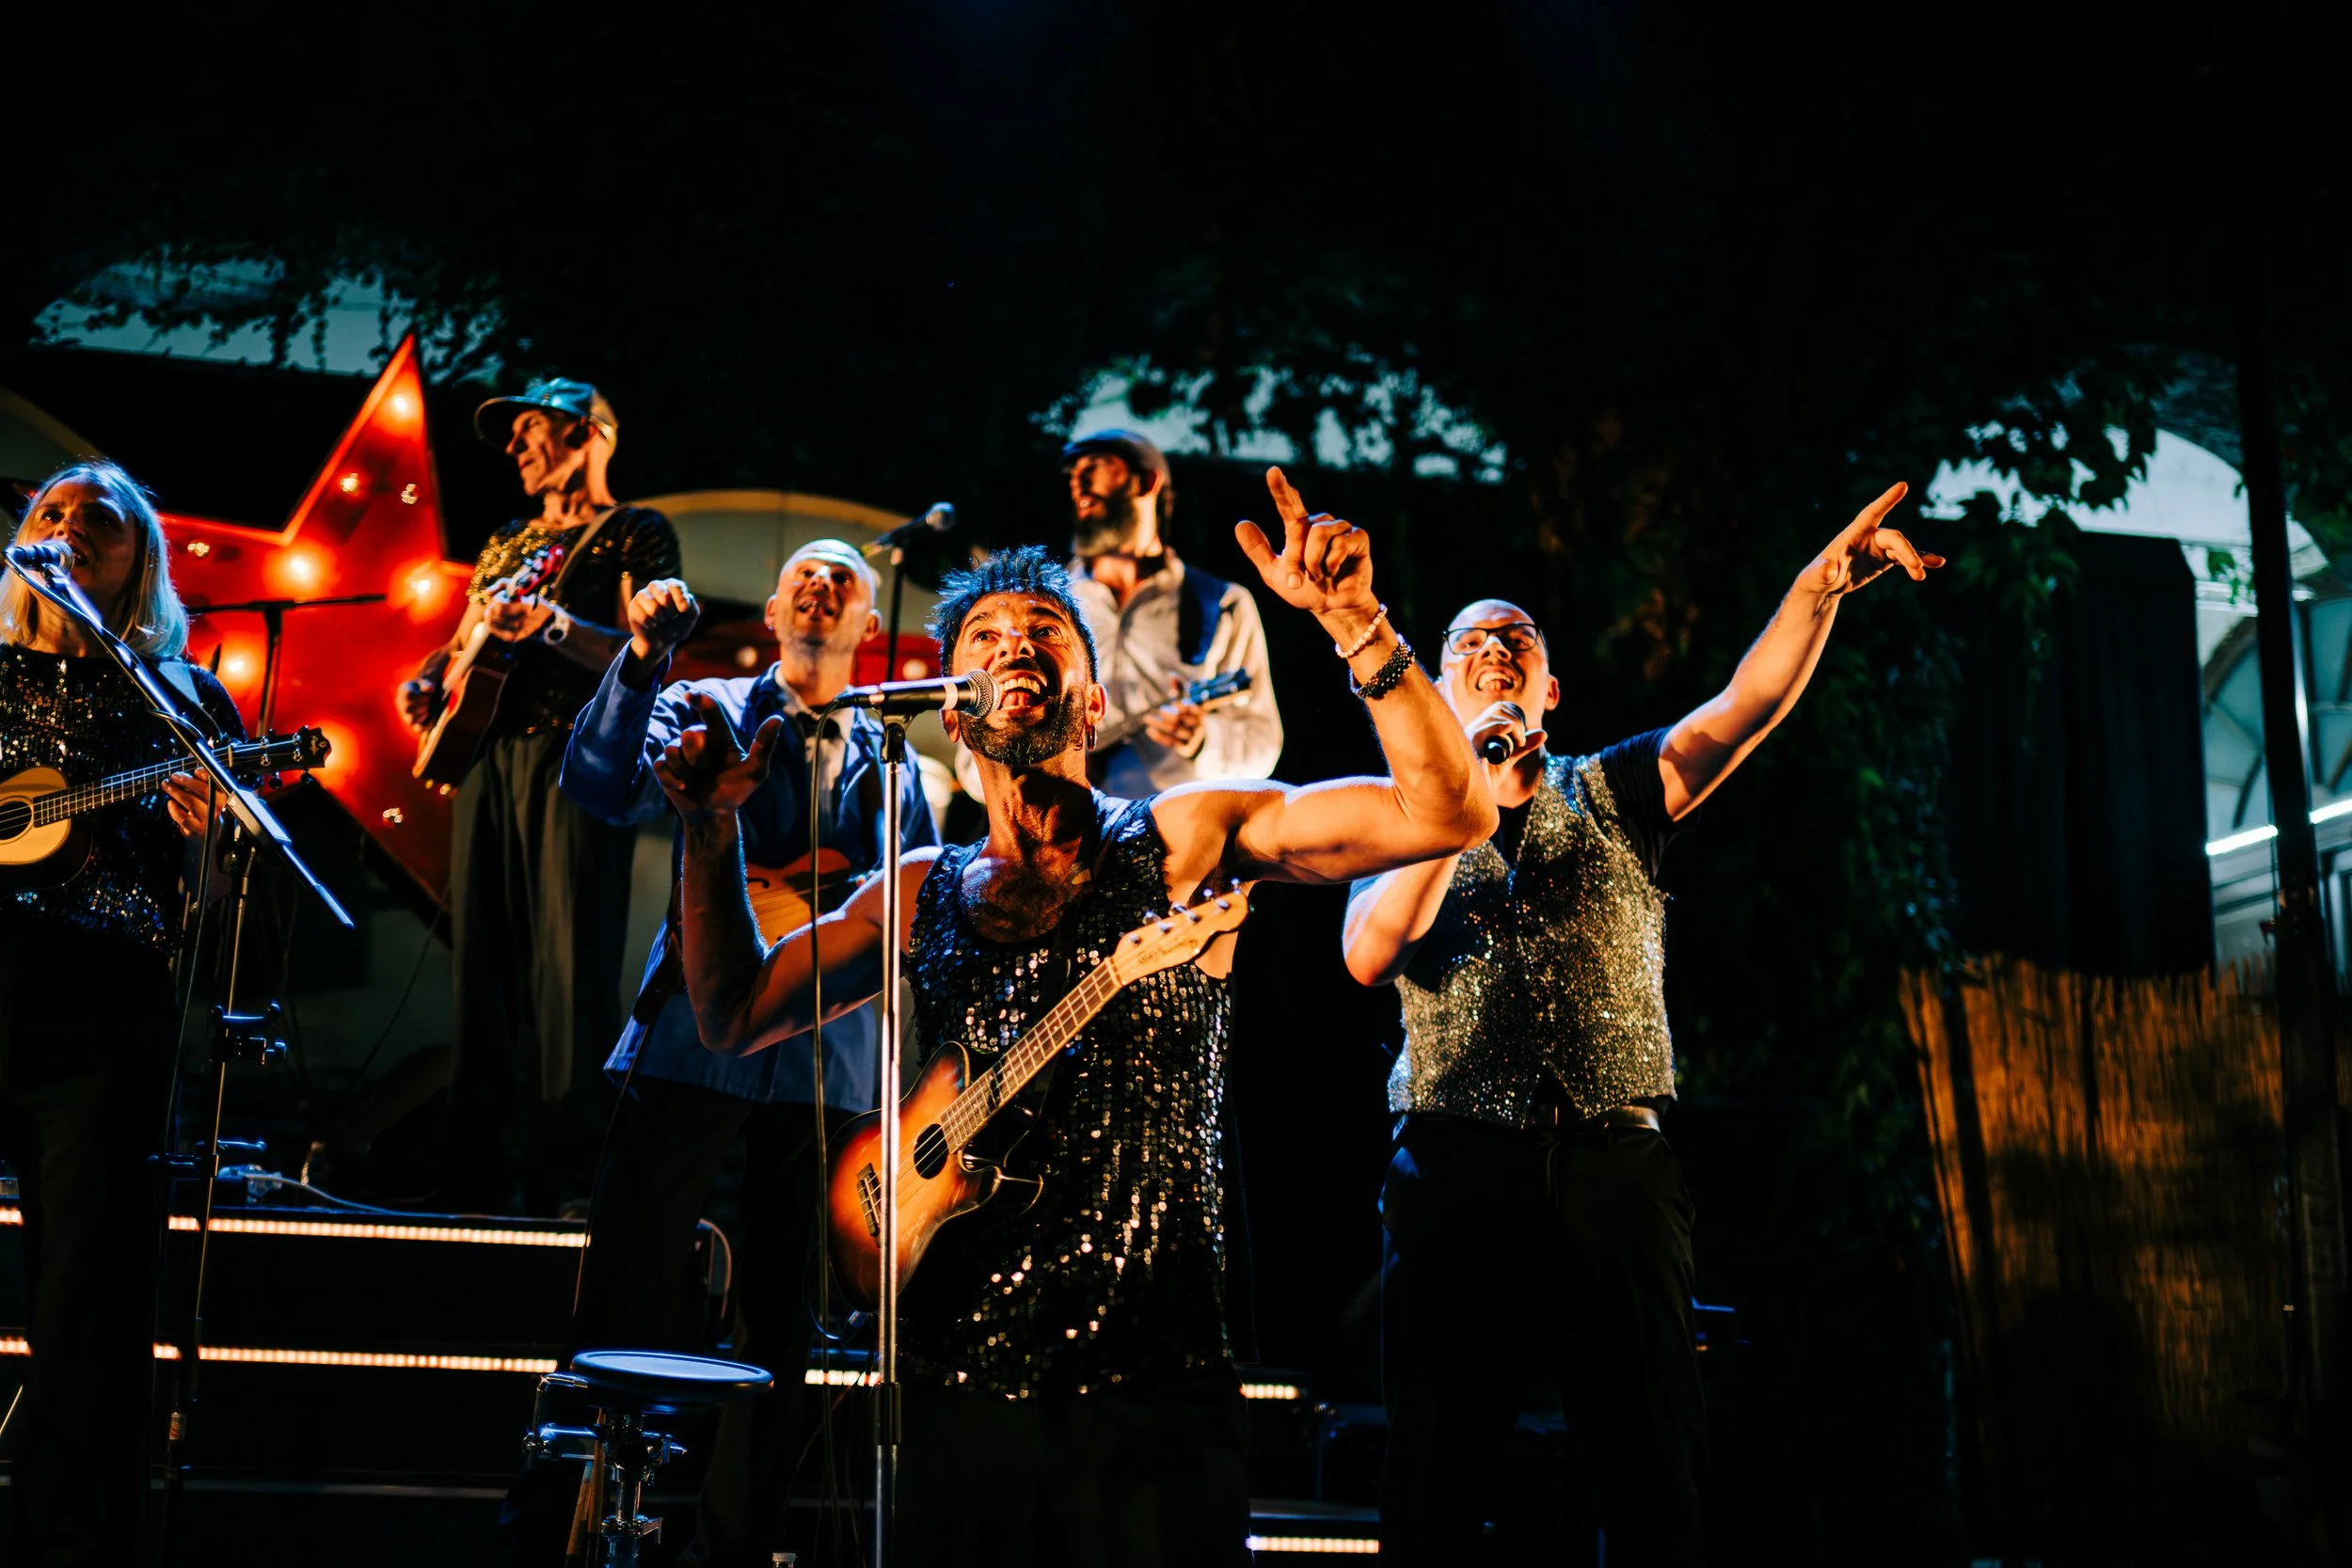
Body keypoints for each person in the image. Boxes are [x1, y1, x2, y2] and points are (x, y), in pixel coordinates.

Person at [654, 468, 1496, 1566]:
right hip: (953, 1384)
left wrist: (1357, 624)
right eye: (988, 635)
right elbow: (730, 1010)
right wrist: (709, 831)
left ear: (1092, 702)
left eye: (1045, 631)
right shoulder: (918, 887)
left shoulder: (1185, 837)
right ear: (952, 709)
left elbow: (1448, 810)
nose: (1015, 643)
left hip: (1153, 1388)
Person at [1342, 483, 1945, 1565]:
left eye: (1517, 640)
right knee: (1433, 1482)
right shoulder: (1386, 815)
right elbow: (1369, 951)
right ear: (1432, 687)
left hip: (1613, 1164)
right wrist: (1454, 789)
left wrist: (1818, 589)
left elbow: (1741, 708)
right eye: (1469, 642)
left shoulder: (1615, 788)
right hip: (1455, 1164)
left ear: (1549, 689)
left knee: (1654, 1479)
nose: (1493, 650)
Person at [530, 539, 935, 1566]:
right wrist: (639, 662)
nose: (822, 586)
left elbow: (914, 908)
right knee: (628, 1284)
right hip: (690, 1043)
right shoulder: (707, 703)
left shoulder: (895, 752)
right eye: (804, 574)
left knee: (781, 1322)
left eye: (844, 579)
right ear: (771, 609)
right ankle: (571, 1525)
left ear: (868, 624)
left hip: (831, 1063)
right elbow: (601, 783)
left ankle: (735, 1544)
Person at [0, 460, 246, 1568]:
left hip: (104, 1017)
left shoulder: (184, 699)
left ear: (140, 559)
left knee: (86, 1302)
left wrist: (210, 840)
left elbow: (218, 907)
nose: (66, 529)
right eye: (49, 512)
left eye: (97, 520)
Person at [395, 376, 682, 1213]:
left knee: (570, 967)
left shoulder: (635, 530)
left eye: (532, 430)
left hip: (577, 760)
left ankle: (570, 1180)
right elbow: (463, 638)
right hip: (487, 756)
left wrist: (552, 626)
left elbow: (648, 651)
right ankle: (474, 1179)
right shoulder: (509, 537)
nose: (517, 447)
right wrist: (427, 682)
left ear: (587, 434)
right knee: (482, 967)